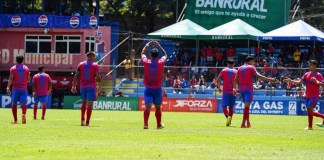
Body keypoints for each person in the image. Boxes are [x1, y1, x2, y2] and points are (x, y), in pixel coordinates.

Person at [234, 56, 278, 128]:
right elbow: (259, 76)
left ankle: (248, 123)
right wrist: (270, 79)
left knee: (246, 106)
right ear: (250, 61)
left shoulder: (240, 68)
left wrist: (235, 88)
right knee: (247, 107)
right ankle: (243, 124)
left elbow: (235, 79)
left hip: (242, 89)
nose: (254, 63)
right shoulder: (251, 67)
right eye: (253, 62)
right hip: (248, 89)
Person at [285, 60, 324, 130]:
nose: (309, 66)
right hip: (308, 95)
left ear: (315, 66)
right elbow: (299, 82)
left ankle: (310, 127)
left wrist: (317, 81)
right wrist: (291, 80)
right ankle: (322, 117)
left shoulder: (318, 75)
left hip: (314, 95)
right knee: (309, 111)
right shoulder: (306, 74)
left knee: (309, 107)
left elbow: (323, 85)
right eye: (309, 64)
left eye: (311, 65)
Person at [141, 40, 167, 129]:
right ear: (157, 55)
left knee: (147, 107)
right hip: (157, 89)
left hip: (148, 89)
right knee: (158, 107)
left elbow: (142, 53)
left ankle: (145, 124)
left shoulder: (146, 62)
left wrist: (148, 45)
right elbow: (165, 55)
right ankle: (158, 125)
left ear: (150, 55)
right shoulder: (160, 63)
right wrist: (159, 45)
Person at [71, 51, 101, 126]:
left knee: (83, 102)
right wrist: (99, 86)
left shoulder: (81, 64)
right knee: (90, 104)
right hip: (91, 86)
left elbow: (76, 75)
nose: (95, 58)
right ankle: (87, 122)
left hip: (82, 86)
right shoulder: (95, 65)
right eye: (94, 56)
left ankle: (82, 119)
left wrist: (74, 85)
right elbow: (98, 76)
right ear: (91, 56)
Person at [7, 55, 31, 124]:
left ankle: (15, 120)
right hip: (23, 89)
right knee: (24, 103)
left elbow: (11, 78)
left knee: (14, 104)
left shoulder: (13, 68)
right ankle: (23, 114)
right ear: (22, 60)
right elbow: (29, 80)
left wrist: (8, 87)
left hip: (15, 89)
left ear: (16, 60)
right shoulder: (26, 68)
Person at [217, 60, 237, 126]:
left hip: (225, 91)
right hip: (233, 91)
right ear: (233, 64)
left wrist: (219, 87)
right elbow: (239, 81)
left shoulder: (224, 70)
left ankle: (227, 117)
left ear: (227, 64)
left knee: (224, 106)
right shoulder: (236, 71)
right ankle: (230, 120)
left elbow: (218, 79)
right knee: (231, 107)